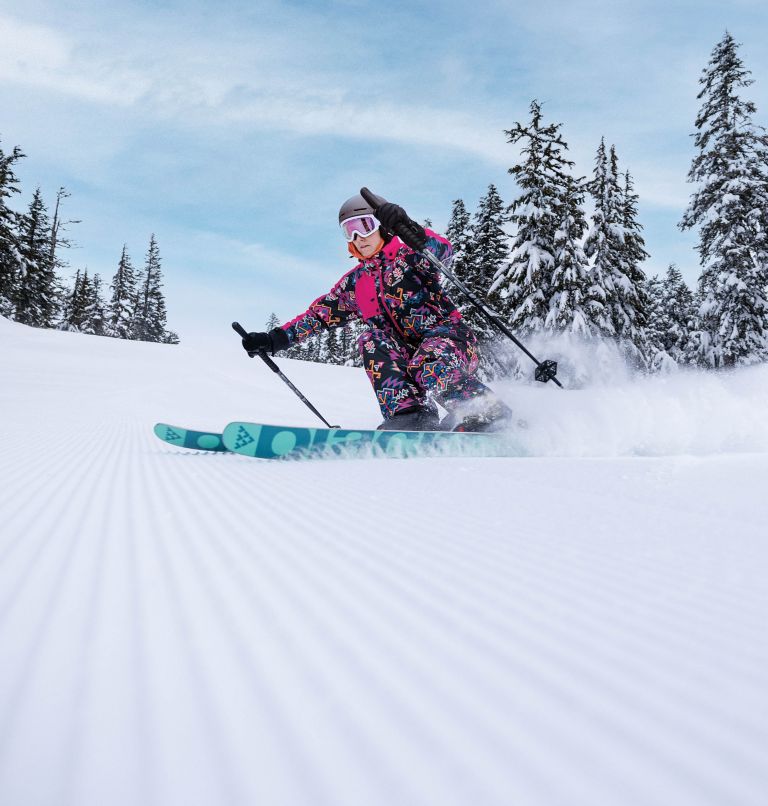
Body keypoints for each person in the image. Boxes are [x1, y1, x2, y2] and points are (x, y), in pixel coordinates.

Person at [241, 193, 513, 432]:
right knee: (371, 340)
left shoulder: (411, 256)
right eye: (349, 232)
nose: (358, 238)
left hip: (451, 342)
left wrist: (410, 230)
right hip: (407, 354)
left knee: (426, 360)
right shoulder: (356, 284)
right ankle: (411, 415)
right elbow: (318, 316)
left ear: (382, 227)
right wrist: (273, 339)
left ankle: (488, 412)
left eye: (363, 226)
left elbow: (442, 251)